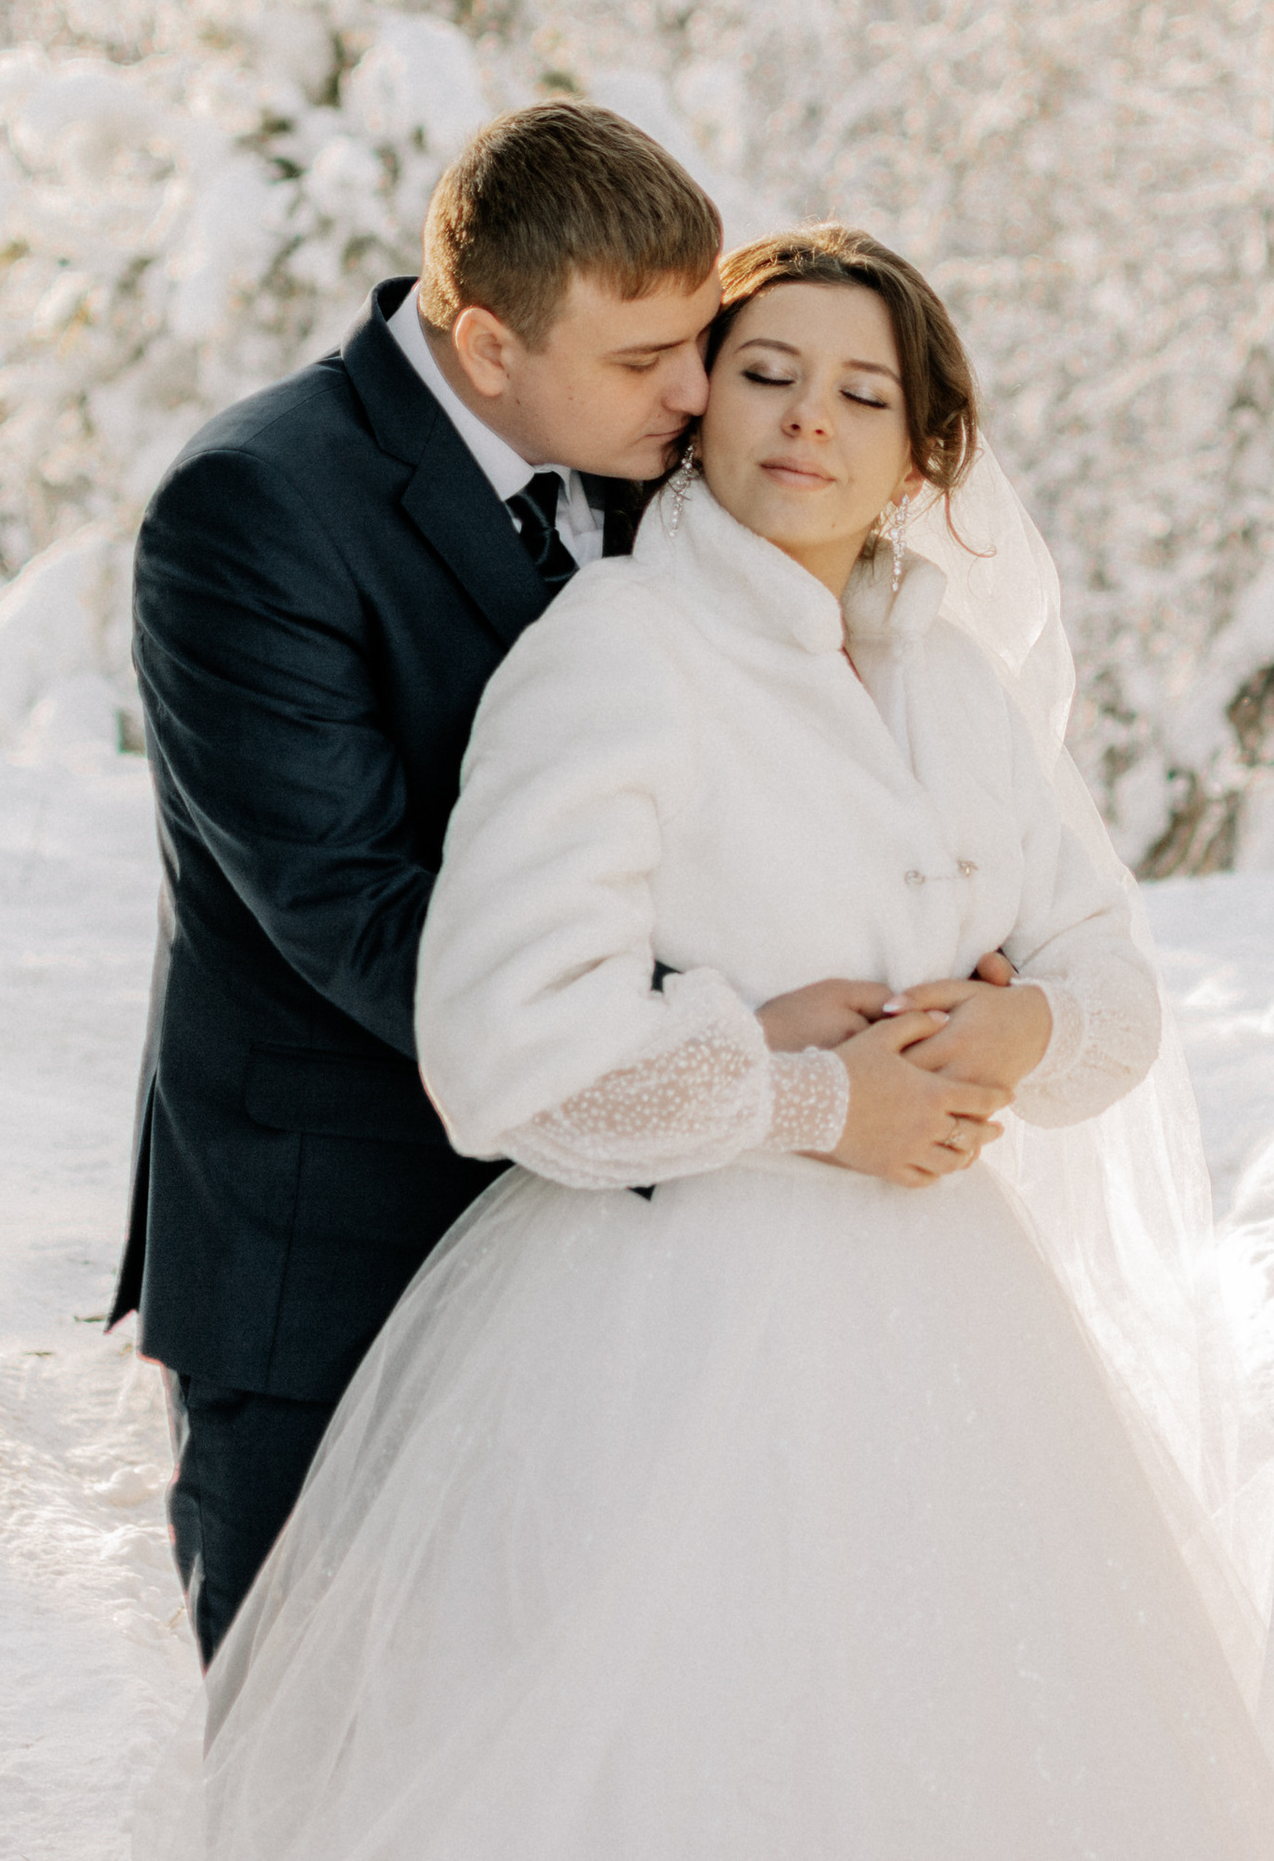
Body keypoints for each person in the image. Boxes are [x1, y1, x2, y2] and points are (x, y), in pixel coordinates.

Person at [166, 226, 1274, 1858]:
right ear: (702, 412)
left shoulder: (952, 679)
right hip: (669, 1334)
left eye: (862, 392)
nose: (808, 419)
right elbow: (506, 1049)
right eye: (768, 374)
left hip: (953, 1340)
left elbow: (1117, 990)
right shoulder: (616, 654)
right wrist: (806, 1097)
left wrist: (1021, 1030)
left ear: (922, 450)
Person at [111, 106, 1014, 1666]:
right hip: (337, 1243)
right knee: (326, 1752)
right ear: (484, 345)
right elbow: (356, 911)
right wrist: (747, 1045)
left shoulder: (635, 468)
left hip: (622, 1264)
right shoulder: (255, 510)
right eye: (647, 358)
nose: (696, 392)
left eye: (699, 345)